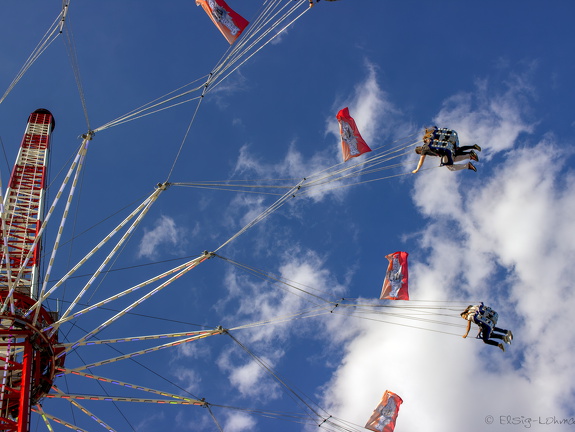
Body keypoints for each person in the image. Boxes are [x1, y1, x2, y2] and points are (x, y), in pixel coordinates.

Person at [412, 126, 481, 173]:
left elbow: (421, 161)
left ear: (420, 151)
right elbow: (435, 132)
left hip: (445, 152)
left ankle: (468, 164)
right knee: (454, 158)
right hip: (449, 148)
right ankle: (470, 155)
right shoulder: (432, 139)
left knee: (450, 167)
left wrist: (417, 169)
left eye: (420, 153)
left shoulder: (424, 149)